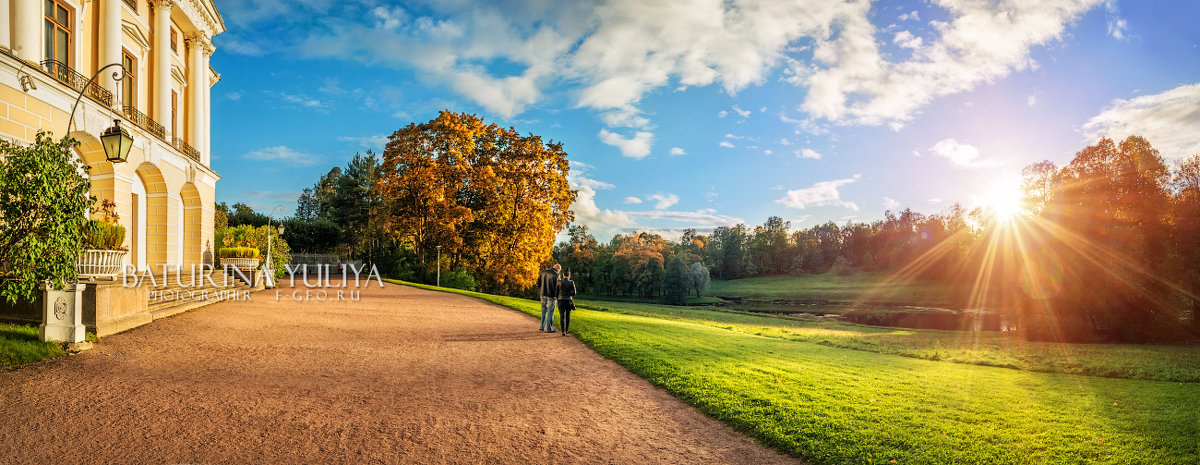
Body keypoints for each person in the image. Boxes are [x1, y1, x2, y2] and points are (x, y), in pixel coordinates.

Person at [536, 264, 561, 332]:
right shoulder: (556, 275)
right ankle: (549, 329)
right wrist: (557, 296)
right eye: (559, 270)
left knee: (543, 311)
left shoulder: (543, 272)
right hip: (551, 296)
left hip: (542, 294)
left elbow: (538, 283)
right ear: (558, 268)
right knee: (550, 312)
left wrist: (541, 289)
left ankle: (542, 327)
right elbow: (558, 287)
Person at [557, 270, 576, 336]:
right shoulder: (571, 282)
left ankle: (563, 331)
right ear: (569, 275)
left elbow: (556, 292)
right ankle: (567, 330)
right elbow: (574, 293)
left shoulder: (559, 282)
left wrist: (558, 297)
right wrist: (569, 294)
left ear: (563, 275)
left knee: (562, 316)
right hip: (568, 300)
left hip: (560, 300)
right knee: (568, 316)